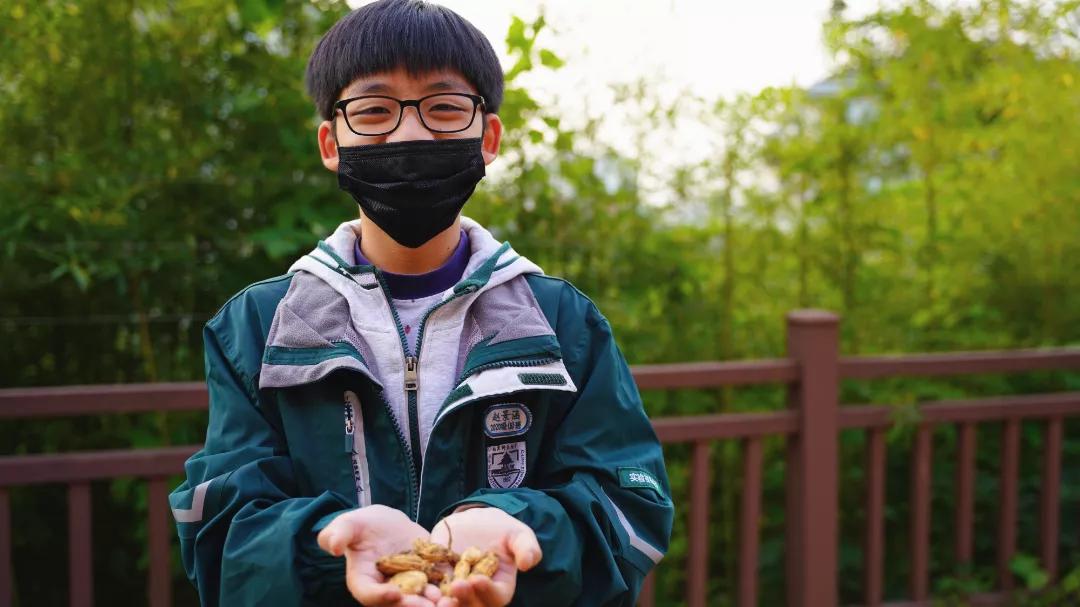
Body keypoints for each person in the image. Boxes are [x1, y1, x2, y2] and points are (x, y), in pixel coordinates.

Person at [169, 1, 673, 605]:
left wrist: (514, 528)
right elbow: (219, 531)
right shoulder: (255, 329)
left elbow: (631, 508)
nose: (409, 133)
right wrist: (327, 546)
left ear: (487, 137)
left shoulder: (565, 323)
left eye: (443, 108)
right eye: (375, 111)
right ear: (332, 141)